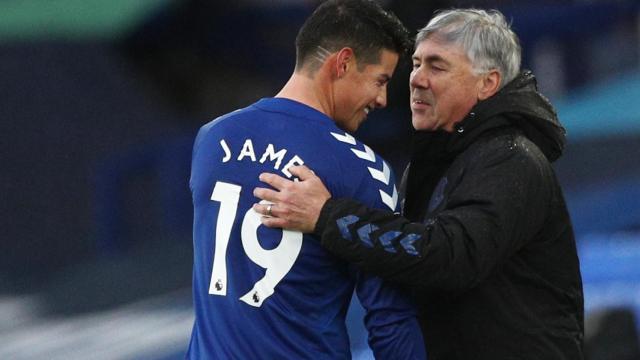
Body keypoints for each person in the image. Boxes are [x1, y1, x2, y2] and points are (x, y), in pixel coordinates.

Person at [253, 8, 585, 359]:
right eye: (416, 64)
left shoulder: (510, 158)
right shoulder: (440, 160)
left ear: (487, 83)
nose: (416, 79)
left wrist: (327, 216)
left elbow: (450, 255)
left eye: (437, 66)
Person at [186, 1, 426, 359]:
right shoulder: (361, 170)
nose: (381, 99)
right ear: (342, 63)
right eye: (380, 80)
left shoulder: (211, 137)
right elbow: (391, 318)